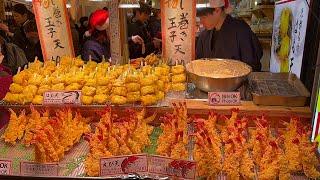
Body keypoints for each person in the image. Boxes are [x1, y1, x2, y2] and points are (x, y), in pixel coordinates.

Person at [196, 0, 263, 71]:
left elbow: (252, 66)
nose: (201, 22)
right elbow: (199, 63)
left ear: (217, 10)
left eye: (203, 17)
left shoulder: (241, 30)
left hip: (238, 81)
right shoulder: (204, 35)